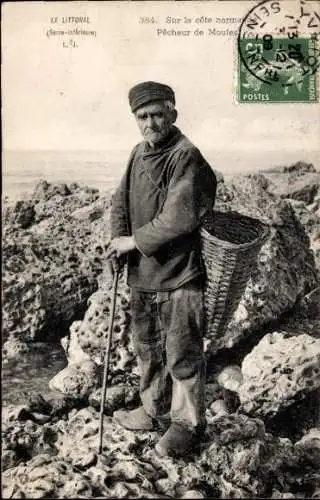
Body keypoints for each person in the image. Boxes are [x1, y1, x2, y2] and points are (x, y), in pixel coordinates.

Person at [106, 81, 217, 457]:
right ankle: (154, 411)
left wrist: (133, 241)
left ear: (173, 113)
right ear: (135, 120)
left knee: (183, 354)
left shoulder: (187, 155)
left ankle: (187, 426)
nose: (150, 122)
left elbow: (180, 216)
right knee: (148, 349)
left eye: (156, 114)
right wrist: (117, 239)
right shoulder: (137, 153)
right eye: (142, 116)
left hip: (181, 275)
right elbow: (119, 202)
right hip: (143, 275)